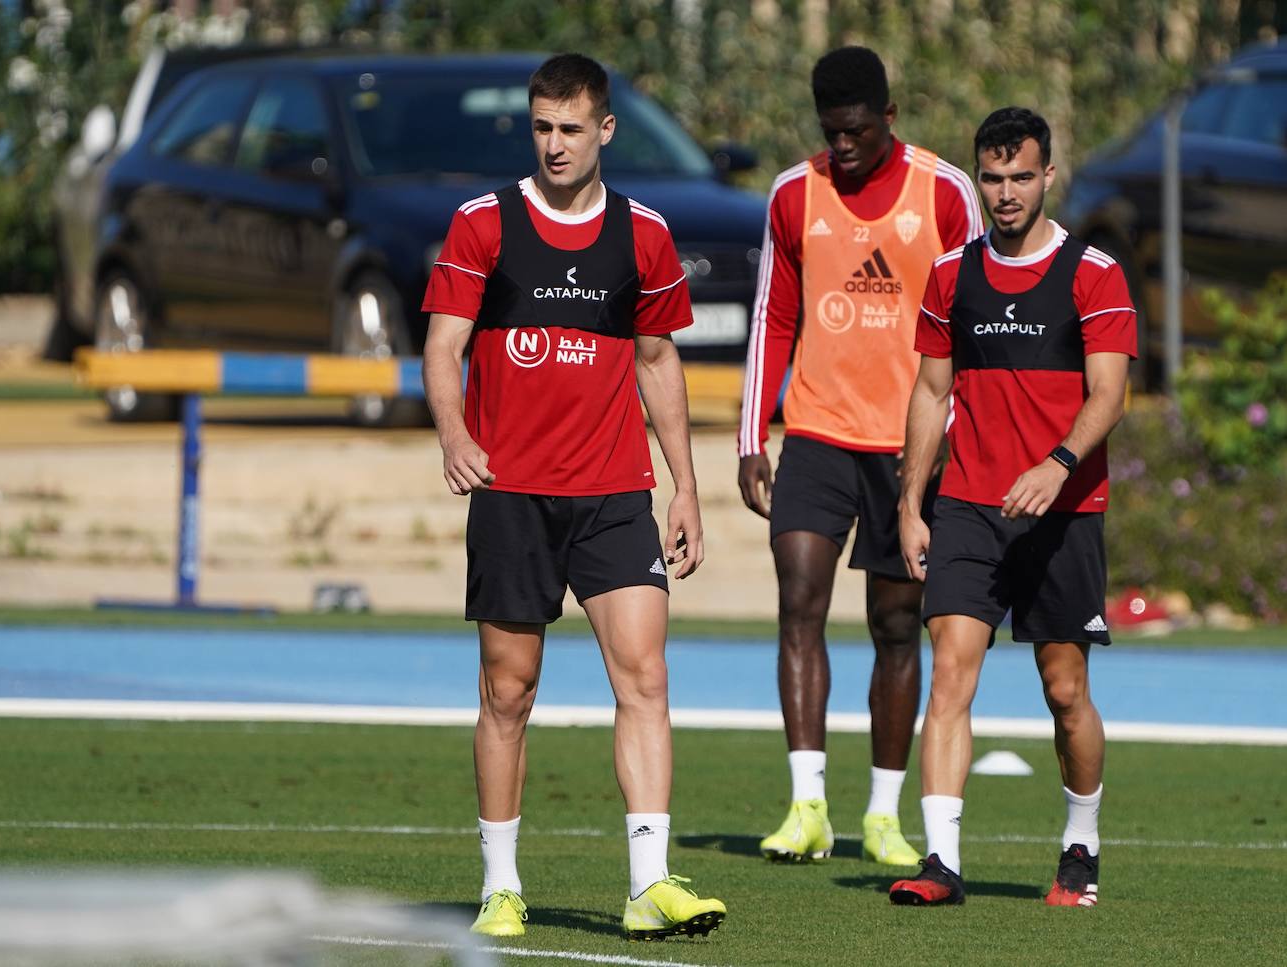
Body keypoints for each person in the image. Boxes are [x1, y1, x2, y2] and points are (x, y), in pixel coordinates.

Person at [421, 53, 726, 941]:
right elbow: (444, 348)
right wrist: (454, 433)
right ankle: (502, 887)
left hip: (614, 493)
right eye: (541, 128)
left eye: (570, 128)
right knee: (508, 692)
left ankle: (648, 883)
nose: (554, 145)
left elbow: (660, 360)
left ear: (605, 130)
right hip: (511, 493)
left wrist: (686, 487)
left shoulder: (644, 234)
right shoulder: (483, 224)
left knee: (646, 676)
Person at [738, 46, 982, 865]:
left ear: (889, 117)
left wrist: (965, 445)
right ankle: (807, 804)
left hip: (910, 448)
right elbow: (773, 316)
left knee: (895, 623)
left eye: (856, 132)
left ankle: (883, 812)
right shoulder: (791, 193)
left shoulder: (945, 192)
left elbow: (976, 320)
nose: (841, 148)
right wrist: (751, 436)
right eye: (829, 133)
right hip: (815, 432)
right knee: (798, 597)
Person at [890, 107, 1137, 906]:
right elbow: (931, 393)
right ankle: (941, 863)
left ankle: (1081, 845)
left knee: (1065, 690)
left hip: (1065, 510)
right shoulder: (951, 274)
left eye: (1020, 177)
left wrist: (1058, 463)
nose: (1005, 193)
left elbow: (1111, 394)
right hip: (967, 505)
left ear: (1047, 177)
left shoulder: (1093, 272)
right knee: (950, 673)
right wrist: (910, 502)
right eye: (991, 179)